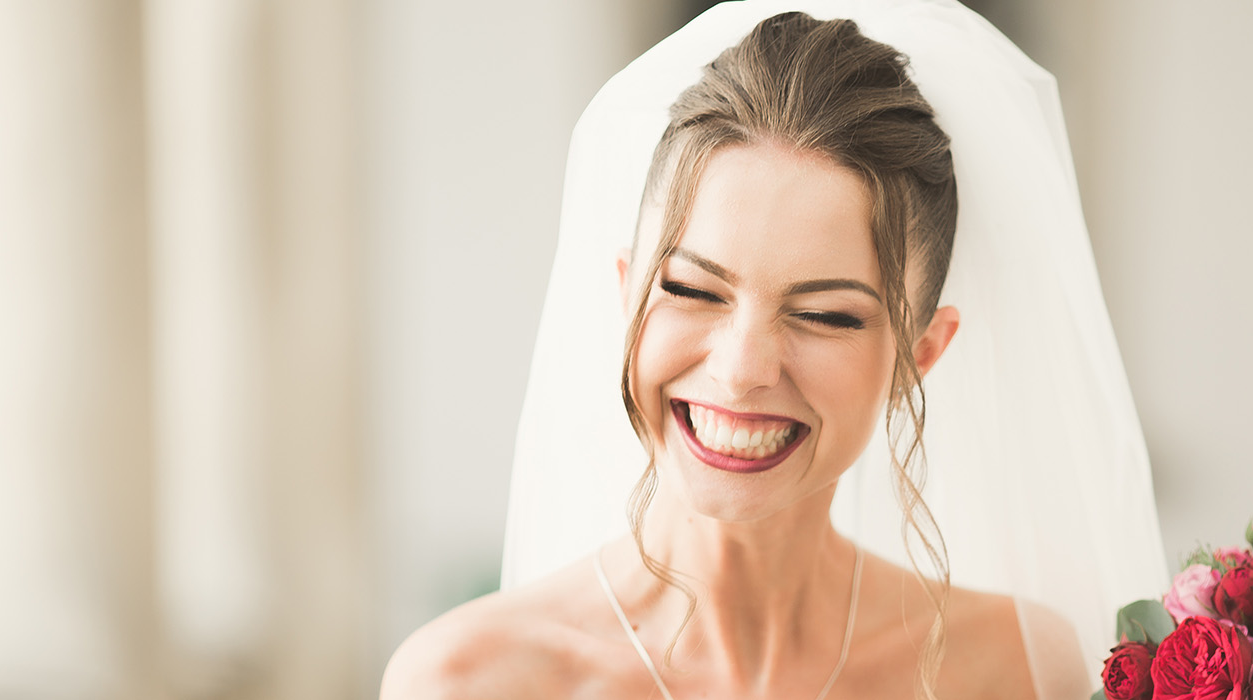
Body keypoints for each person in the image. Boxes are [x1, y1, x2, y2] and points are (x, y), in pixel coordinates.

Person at [383, 1, 1167, 698]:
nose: (740, 371)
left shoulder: (1019, 671)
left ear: (920, 355)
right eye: (692, 290)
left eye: (824, 315)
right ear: (628, 295)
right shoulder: (466, 682)